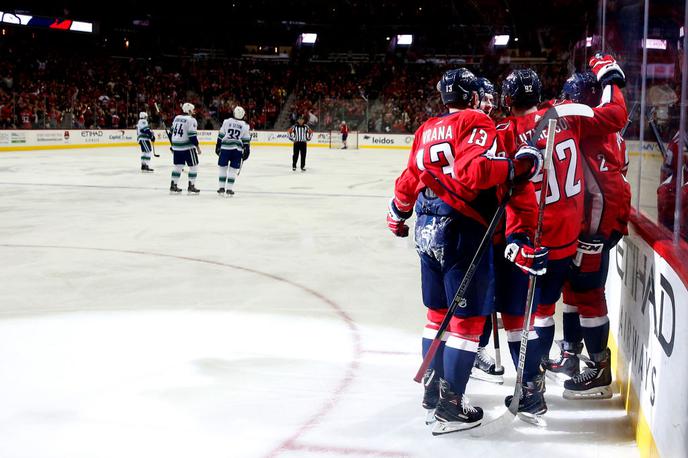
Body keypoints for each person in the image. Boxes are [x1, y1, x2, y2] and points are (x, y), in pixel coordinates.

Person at [387, 68, 545, 434]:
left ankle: (434, 389)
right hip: (461, 229)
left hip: (427, 229)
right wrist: (518, 166)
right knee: (468, 322)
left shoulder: (427, 127)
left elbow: (410, 176)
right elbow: (474, 172)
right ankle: (451, 405)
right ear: (473, 97)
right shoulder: (476, 121)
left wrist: (397, 212)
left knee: (436, 314)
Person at [496, 54, 628, 409]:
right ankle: (569, 356)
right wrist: (610, 75)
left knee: (541, 312)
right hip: (573, 235)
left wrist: (512, 241)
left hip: (541, 239)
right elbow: (616, 116)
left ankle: (535, 386)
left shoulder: (506, 134)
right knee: (569, 298)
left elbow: (496, 187)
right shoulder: (566, 113)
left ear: (506, 101)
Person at [543, 69, 631, 399]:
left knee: (590, 295)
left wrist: (594, 234)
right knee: (573, 289)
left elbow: (604, 191)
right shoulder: (596, 123)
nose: (567, 107)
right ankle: (570, 355)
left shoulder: (594, 125)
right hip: (588, 224)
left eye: (572, 101)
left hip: (595, 227)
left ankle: (598, 370)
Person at [469, 76, 504, 385]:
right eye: (485, 98)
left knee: (485, 295)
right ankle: (456, 355)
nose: (490, 104)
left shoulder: (492, 132)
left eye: (493, 98)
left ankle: (476, 349)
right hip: (465, 226)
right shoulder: (465, 131)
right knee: (462, 295)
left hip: (488, 226)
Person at [216, 106, 251, 196]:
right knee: (233, 169)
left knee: (223, 168)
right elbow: (246, 141)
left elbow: (220, 135)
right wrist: (247, 151)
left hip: (225, 148)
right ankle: (229, 189)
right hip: (237, 150)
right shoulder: (245, 126)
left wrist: (217, 146)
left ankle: (221, 188)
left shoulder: (226, 122)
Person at [169, 102, 201, 194]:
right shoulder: (191, 120)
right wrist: (198, 147)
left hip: (177, 147)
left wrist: (173, 146)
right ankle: (191, 185)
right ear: (189, 110)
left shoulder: (176, 118)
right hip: (187, 147)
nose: (194, 111)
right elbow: (192, 136)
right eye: (193, 109)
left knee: (178, 166)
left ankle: (173, 185)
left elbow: (171, 132)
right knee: (194, 166)